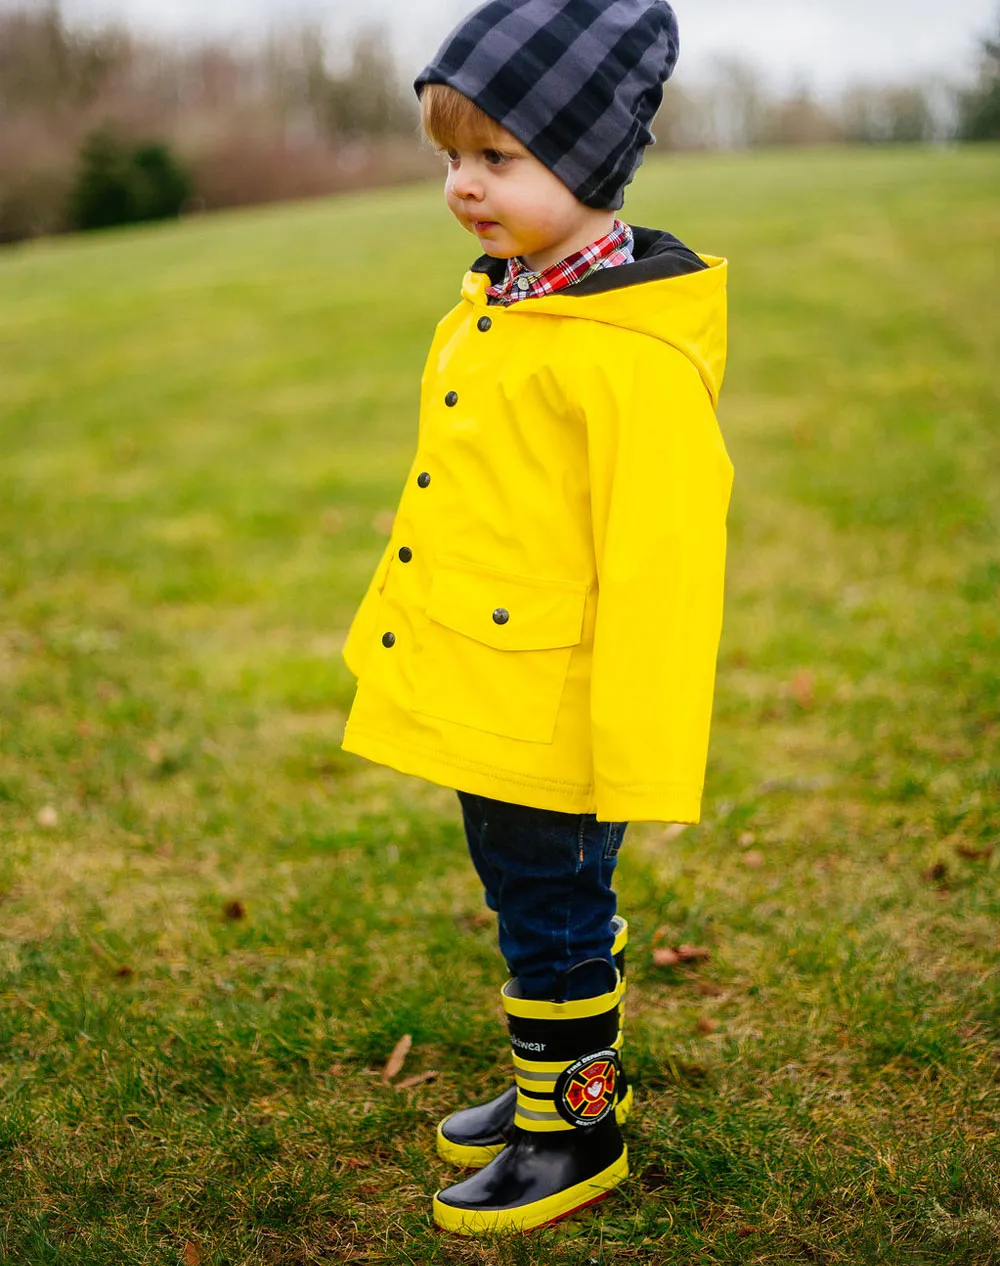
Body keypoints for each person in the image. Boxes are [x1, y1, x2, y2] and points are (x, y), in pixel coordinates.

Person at [339, 0, 733, 1237]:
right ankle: (542, 1087)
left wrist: (637, 766)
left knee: (551, 920)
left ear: (588, 162)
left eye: (497, 158)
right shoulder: (508, 301)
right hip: (492, 687)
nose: (462, 185)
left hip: (558, 718)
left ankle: (575, 1130)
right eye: (451, 156)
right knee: (529, 901)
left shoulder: (627, 358)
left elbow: (667, 579)